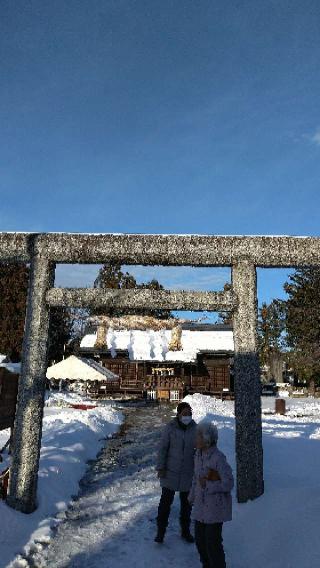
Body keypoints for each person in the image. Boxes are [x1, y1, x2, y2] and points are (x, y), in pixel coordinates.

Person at [189, 422, 234, 568]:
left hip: (215, 509)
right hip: (201, 508)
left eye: (198, 436)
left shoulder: (218, 458)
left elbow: (228, 483)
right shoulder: (198, 455)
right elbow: (196, 479)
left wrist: (208, 485)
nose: (195, 438)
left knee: (212, 544)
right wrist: (192, 495)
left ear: (207, 439)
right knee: (200, 543)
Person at [155, 401, 197, 544]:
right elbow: (163, 448)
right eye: (184, 414)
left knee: (187, 506)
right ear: (178, 414)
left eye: (189, 414)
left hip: (187, 473)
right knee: (165, 504)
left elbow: (199, 450)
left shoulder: (195, 428)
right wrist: (160, 467)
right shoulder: (170, 428)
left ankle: (185, 532)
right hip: (170, 472)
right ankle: (160, 532)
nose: (187, 416)